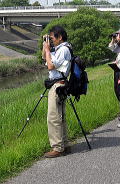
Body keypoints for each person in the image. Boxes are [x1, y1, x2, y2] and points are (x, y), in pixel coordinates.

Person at [42, 25, 72, 158]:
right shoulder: (59, 49)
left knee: (53, 118)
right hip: (59, 84)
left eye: (52, 37)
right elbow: (46, 59)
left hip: (58, 85)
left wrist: (48, 51)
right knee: (60, 117)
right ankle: (64, 144)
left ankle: (57, 148)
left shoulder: (63, 50)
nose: (51, 40)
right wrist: (46, 48)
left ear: (60, 37)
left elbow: (50, 66)